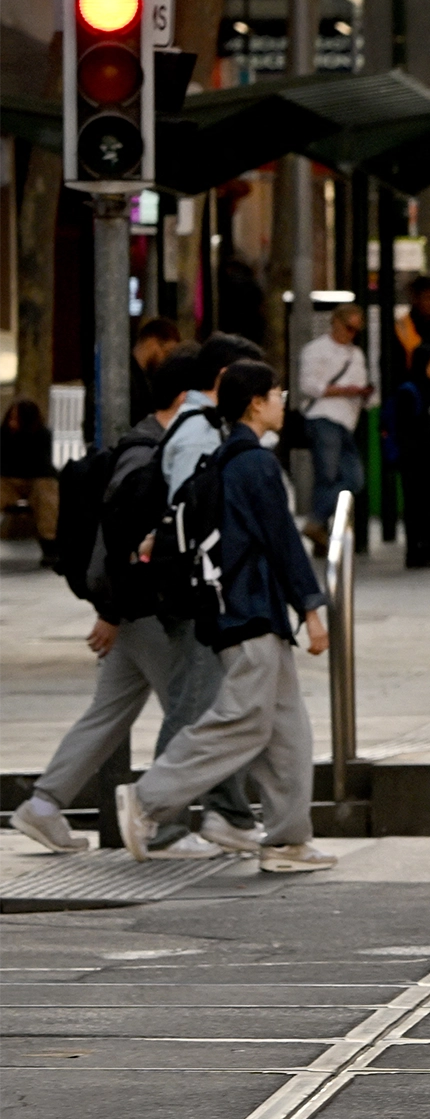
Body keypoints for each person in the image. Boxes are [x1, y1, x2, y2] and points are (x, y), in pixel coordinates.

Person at [12, 347, 260, 858]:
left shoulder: (156, 441)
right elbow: (121, 537)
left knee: (110, 712)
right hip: (147, 609)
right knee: (197, 714)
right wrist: (111, 611)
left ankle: (43, 804)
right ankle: (176, 823)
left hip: (133, 609)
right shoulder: (153, 449)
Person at [117, 361, 337, 873]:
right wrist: (312, 609)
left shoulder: (225, 459)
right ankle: (148, 800)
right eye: (278, 393)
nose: (284, 401)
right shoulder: (253, 463)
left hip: (242, 612)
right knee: (239, 721)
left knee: (287, 731)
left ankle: (286, 841)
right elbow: (282, 541)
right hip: (250, 613)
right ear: (256, 404)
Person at [297, 303, 375, 551]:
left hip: (347, 420)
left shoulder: (356, 354)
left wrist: (363, 394)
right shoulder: (316, 350)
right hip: (324, 417)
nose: (351, 334)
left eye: (356, 330)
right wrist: (343, 390)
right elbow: (308, 385)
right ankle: (318, 525)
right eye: (348, 327)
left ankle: (317, 524)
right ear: (335, 323)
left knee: (351, 478)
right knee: (328, 476)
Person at [162, 333, 265, 500]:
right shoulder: (200, 431)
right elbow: (186, 507)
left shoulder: (210, 422)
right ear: (224, 377)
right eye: (251, 380)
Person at [394, 340, 430, 569]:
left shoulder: (426, 388)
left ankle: (423, 549)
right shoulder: (411, 391)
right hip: (417, 462)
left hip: (422, 461)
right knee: (419, 507)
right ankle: (418, 550)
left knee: (422, 507)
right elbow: (408, 429)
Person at [0, 398, 59, 567]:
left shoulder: (41, 434)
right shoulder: (3, 435)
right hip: (10, 479)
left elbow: (40, 464)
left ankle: (50, 544)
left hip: (37, 477)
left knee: (46, 495)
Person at [130, 318, 181, 425]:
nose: (165, 361)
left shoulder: (142, 378)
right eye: (167, 352)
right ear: (152, 342)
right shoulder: (129, 380)